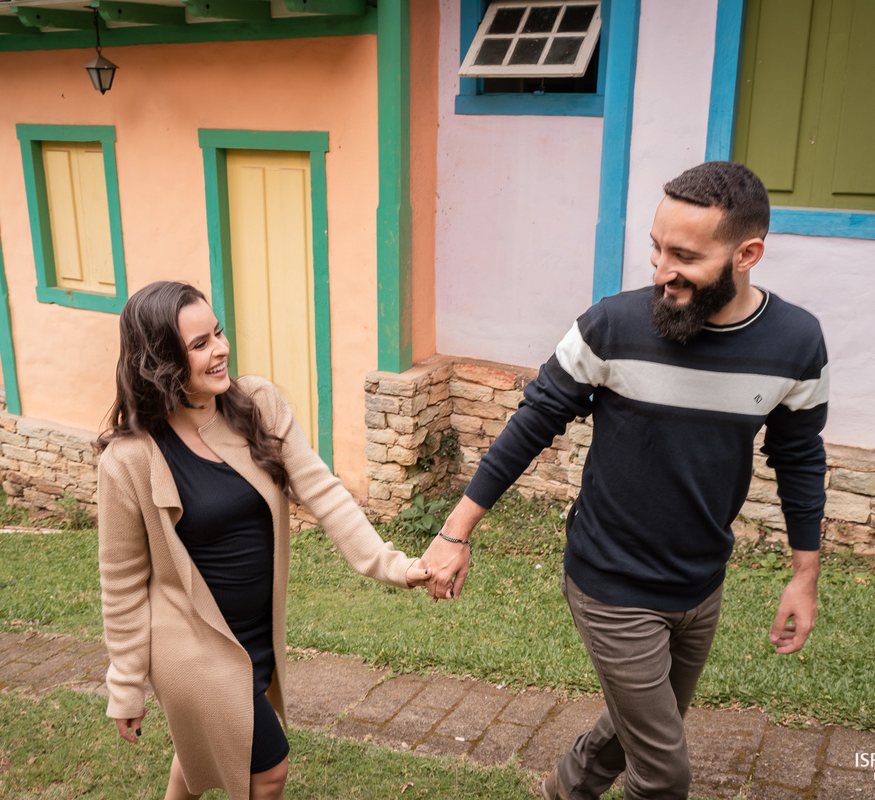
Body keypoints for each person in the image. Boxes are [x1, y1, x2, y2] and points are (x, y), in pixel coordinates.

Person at [420, 161, 829, 799]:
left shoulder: (796, 343)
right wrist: (455, 533)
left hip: (701, 581)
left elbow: (800, 457)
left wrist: (804, 577)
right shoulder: (611, 326)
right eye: (656, 248)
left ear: (747, 254)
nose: (662, 271)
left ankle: (562, 791)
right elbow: (533, 422)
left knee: (638, 725)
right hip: (611, 582)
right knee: (663, 775)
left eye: (685, 256)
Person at [96, 281, 430, 800]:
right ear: (160, 361)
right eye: (200, 344)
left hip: (255, 633)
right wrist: (126, 684)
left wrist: (392, 565)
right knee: (268, 770)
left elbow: (321, 489)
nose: (221, 349)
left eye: (218, 332)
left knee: (204, 750)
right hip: (191, 645)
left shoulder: (256, 404)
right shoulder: (130, 459)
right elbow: (121, 584)